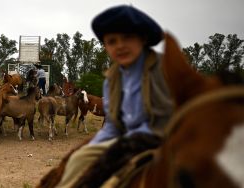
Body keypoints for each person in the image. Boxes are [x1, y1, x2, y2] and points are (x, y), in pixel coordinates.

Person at [56, 4, 174, 187]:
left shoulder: (162, 68)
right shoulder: (111, 79)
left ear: (142, 39)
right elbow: (112, 123)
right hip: (122, 141)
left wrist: (124, 144)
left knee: (112, 182)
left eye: (127, 38)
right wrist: (93, 145)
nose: (120, 46)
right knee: (78, 159)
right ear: (106, 47)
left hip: (158, 141)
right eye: (111, 41)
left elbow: (165, 119)